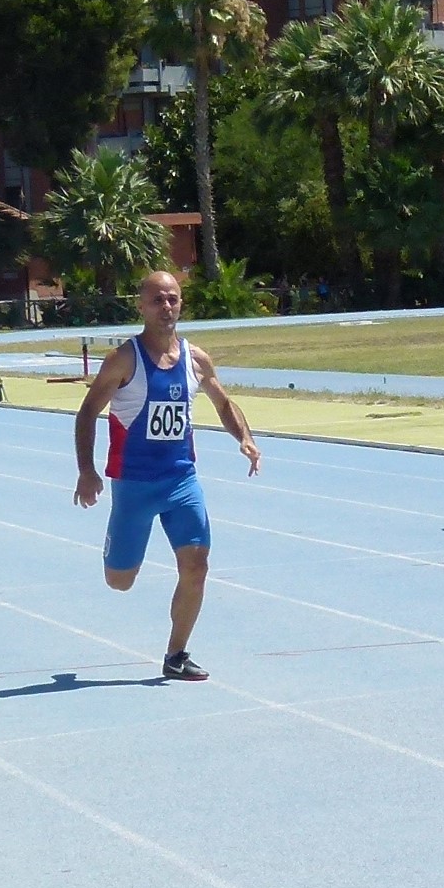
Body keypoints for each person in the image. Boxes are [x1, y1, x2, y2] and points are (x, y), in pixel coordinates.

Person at [72, 270, 262, 682]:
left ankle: (176, 654)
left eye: (173, 299)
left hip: (181, 481)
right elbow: (87, 412)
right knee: (120, 581)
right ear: (141, 306)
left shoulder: (196, 359)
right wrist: (87, 471)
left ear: (181, 303)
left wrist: (244, 438)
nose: (167, 307)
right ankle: (115, 552)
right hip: (134, 485)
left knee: (197, 566)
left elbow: (223, 402)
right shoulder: (124, 359)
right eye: (157, 300)